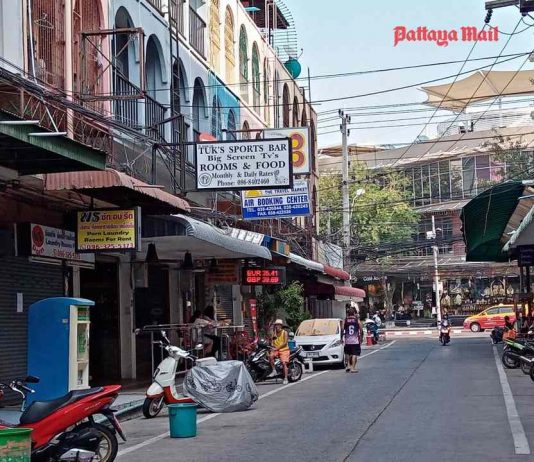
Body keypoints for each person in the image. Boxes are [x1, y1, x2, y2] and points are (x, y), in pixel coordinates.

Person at [269, 319, 289, 385]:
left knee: (284, 363)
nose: (277, 326)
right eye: (276, 325)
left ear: (281, 326)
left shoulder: (284, 332)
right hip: (276, 349)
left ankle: (286, 378)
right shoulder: (274, 333)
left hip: (284, 349)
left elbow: (285, 342)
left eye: (278, 325)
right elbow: (272, 341)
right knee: (270, 356)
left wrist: (277, 348)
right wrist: (272, 346)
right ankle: (274, 370)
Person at [343, 307, 363, 373]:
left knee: (348, 353)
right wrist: (361, 337)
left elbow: (342, 329)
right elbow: (361, 329)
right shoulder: (357, 320)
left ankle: (348, 366)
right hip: (355, 341)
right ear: (354, 313)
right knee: (354, 354)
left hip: (347, 340)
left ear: (348, 314)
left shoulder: (345, 320)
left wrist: (341, 338)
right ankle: (353, 368)